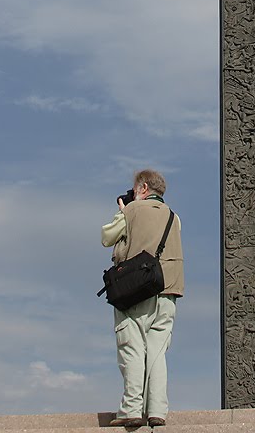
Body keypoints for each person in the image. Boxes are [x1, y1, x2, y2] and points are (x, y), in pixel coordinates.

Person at [102, 169, 184, 428]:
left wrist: (123, 210)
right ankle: (158, 410)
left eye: (135, 189)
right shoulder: (175, 217)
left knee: (132, 348)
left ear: (144, 188)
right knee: (158, 352)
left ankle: (131, 409)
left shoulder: (132, 211)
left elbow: (107, 237)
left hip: (136, 289)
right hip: (168, 290)